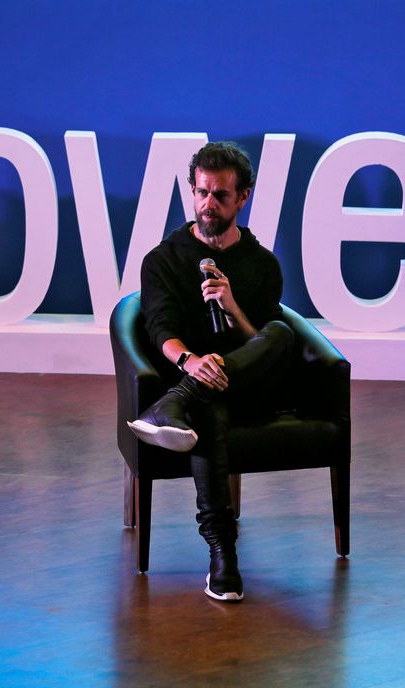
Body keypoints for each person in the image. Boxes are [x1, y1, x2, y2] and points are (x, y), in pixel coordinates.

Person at [127, 141, 295, 602]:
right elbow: (160, 327)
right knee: (209, 412)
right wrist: (192, 362)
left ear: (243, 197)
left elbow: (260, 340)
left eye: (220, 195)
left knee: (280, 332)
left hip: (251, 382)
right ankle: (223, 554)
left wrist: (232, 306)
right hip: (203, 386)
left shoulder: (262, 265)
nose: (208, 204)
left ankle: (171, 403)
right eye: (201, 192)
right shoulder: (163, 259)